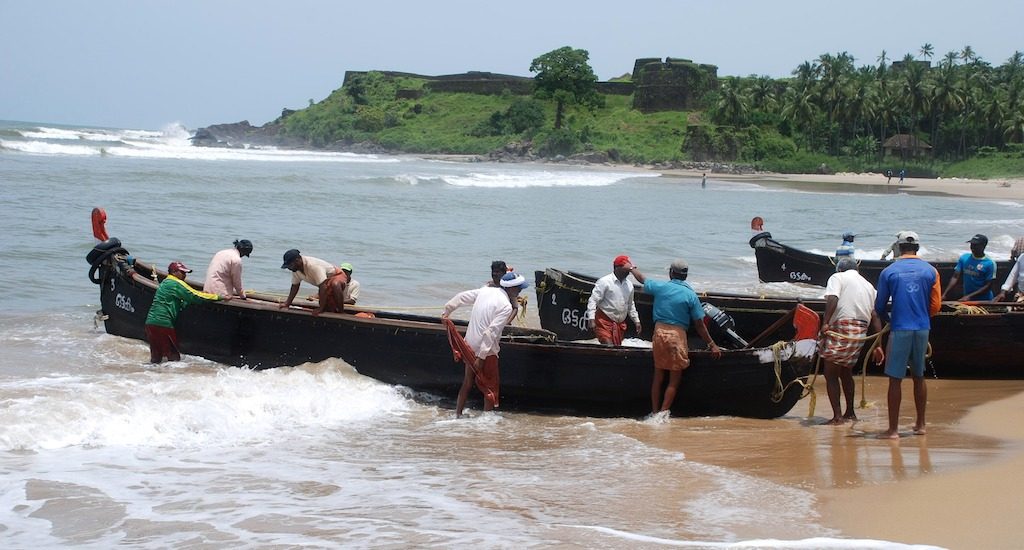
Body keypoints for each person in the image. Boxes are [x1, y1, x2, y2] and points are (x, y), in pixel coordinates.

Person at [629, 260, 722, 415]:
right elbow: (699, 325)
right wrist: (712, 344)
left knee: (658, 376)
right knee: (674, 379)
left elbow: (642, 279)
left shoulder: (661, 287)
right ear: (685, 276)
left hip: (658, 334)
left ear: (671, 273)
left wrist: (632, 268)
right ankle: (663, 413)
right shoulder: (690, 295)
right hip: (677, 337)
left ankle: (654, 411)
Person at [874, 231, 942, 439]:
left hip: (900, 328)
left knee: (895, 379)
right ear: (918, 248)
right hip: (922, 328)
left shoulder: (889, 271)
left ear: (898, 247)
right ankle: (920, 424)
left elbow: (879, 307)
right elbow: (936, 306)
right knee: (918, 376)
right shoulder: (931, 271)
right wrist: (920, 316)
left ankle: (893, 430)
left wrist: (891, 320)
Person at [442, 271, 529, 417]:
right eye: (519, 289)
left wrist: (447, 311)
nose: (520, 292)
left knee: (467, 381)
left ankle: (458, 414)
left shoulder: (485, 291)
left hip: (469, 345)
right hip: (486, 350)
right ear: (511, 289)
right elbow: (490, 332)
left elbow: (461, 297)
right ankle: (486, 422)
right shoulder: (506, 306)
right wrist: (481, 358)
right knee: (490, 388)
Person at [819, 257, 884, 425]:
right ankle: (850, 413)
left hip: (842, 327)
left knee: (830, 373)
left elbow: (832, 298)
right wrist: (879, 345)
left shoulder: (837, 278)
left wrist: (825, 323)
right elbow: (875, 315)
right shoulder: (869, 285)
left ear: (839, 269)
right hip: (860, 331)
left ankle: (837, 417)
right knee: (845, 371)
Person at [145, 261, 229, 363]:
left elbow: (181, 300)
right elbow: (195, 296)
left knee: (156, 358)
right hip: (163, 324)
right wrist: (219, 297)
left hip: (151, 323)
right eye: (183, 273)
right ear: (174, 272)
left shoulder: (165, 282)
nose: (185, 276)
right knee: (174, 358)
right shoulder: (176, 283)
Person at [585, 255, 642, 345]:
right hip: (603, 321)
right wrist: (591, 319)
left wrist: (636, 320)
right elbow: (593, 300)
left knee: (616, 349)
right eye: (625, 268)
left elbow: (630, 305)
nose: (628, 272)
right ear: (617, 268)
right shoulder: (604, 281)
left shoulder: (629, 285)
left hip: (619, 324)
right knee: (608, 345)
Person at [279, 249, 349, 316]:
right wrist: (287, 303)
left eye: (290, 265)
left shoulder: (313, 266)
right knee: (328, 308)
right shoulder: (296, 270)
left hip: (337, 275)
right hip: (326, 283)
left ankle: (341, 312)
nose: (289, 268)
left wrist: (320, 308)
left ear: (297, 261)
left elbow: (323, 286)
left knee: (335, 284)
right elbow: (295, 286)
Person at [942, 234, 997, 302]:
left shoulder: (990, 263)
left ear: (983, 246)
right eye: (972, 244)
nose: (972, 247)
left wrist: (969, 296)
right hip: (967, 299)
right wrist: (945, 294)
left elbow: (988, 286)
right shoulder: (964, 258)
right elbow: (955, 277)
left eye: (976, 245)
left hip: (984, 300)